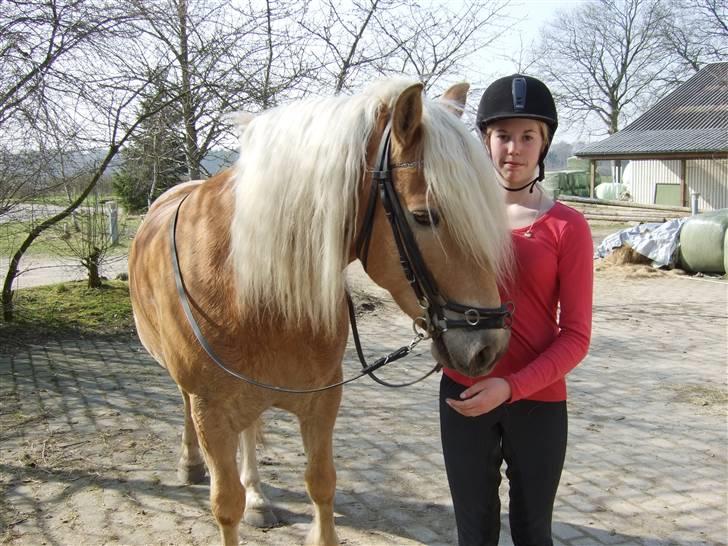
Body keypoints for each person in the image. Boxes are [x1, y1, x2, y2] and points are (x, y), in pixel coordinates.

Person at [439, 74, 594, 545]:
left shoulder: (569, 228)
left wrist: (511, 386)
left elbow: (577, 335)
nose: (514, 148)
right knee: (474, 532)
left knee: (532, 532)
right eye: (503, 135)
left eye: (528, 136)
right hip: (464, 394)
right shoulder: (455, 218)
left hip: (539, 400)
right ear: (485, 139)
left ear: (544, 143)